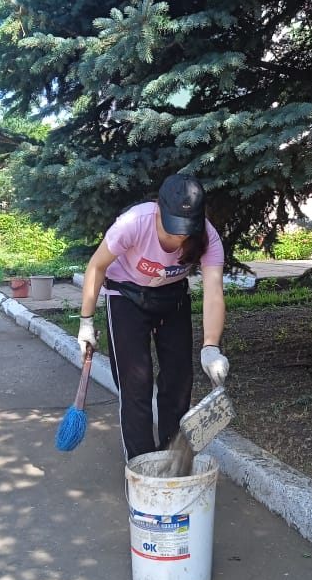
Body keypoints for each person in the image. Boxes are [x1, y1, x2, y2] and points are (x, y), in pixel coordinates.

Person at [78, 173, 230, 461]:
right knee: (136, 386)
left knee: (178, 382)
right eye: (173, 228)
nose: (179, 238)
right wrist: (86, 321)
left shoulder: (208, 236)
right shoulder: (134, 223)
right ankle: (141, 467)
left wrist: (211, 346)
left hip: (172, 298)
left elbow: (213, 292)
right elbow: (96, 267)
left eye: (186, 230)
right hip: (126, 296)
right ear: (158, 210)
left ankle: (172, 464)